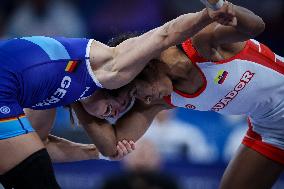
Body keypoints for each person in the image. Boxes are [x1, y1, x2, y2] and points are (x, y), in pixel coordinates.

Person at [0, 0, 229, 188]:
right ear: (123, 83)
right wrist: (209, 14)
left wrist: (96, 153)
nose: (118, 110)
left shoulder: (52, 95)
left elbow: (37, 149)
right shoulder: (106, 65)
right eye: (125, 99)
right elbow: (164, 36)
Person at [72, 2, 284, 189]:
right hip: (269, 128)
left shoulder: (202, 42)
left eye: (137, 91)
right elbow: (112, 147)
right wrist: (75, 96)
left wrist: (225, 7)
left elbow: (256, 26)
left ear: (145, 66)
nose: (144, 100)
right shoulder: (157, 101)